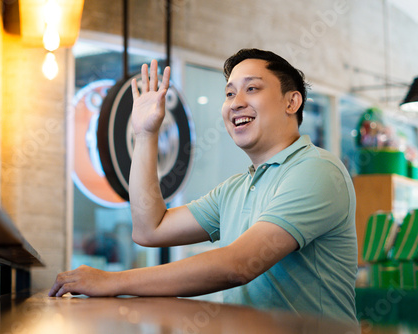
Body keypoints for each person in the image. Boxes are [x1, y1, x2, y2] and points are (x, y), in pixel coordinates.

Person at [49, 48, 358, 323]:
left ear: (292, 101)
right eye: (229, 93)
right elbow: (149, 229)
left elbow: (239, 264)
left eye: (252, 89)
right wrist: (145, 134)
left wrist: (112, 281)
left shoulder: (317, 169)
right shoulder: (237, 187)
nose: (236, 103)